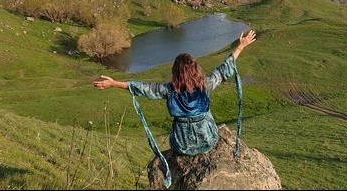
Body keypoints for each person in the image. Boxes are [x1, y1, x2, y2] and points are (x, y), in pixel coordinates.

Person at [92, 29, 256, 187]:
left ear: (175, 73)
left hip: (181, 145)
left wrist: (113, 83)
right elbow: (223, 70)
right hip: (208, 140)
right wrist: (240, 46)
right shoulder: (206, 85)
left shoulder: (169, 91)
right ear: (195, 71)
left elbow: (143, 87)